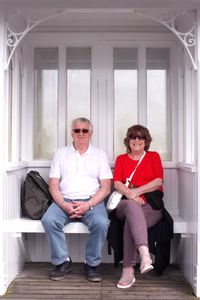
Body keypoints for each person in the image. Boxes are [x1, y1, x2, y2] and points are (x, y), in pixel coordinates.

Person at [42, 117, 113, 282]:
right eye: (77, 130)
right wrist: (64, 205)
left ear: (91, 133)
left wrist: (88, 205)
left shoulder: (99, 155)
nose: (81, 134)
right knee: (49, 220)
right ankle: (62, 262)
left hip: (92, 200)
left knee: (101, 223)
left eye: (85, 130)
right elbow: (53, 185)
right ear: (71, 132)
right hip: (64, 199)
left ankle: (91, 264)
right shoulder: (61, 153)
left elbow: (106, 187)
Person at [113, 124, 163, 289]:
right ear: (128, 140)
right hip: (124, 204)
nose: (136, 139)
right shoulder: (121, 158)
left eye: (141, 137)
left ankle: (128, 270)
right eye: (133, 136)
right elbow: (117, 183)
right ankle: (145, 255)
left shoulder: (153, 157)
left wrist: (139, 193)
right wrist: (131, 195)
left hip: (150, 206)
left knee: (131, 222)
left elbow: (158, 181)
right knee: (131, 207)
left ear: (146, 140)